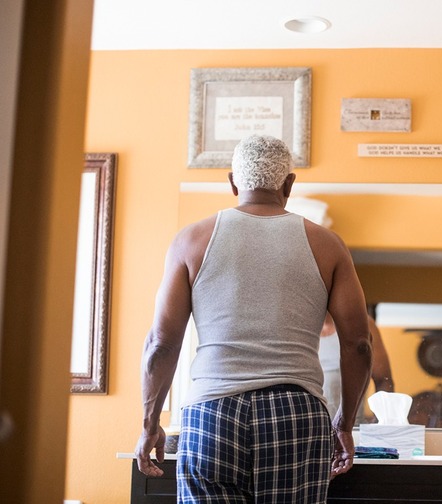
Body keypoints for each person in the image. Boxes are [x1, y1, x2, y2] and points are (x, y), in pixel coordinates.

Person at [134, 134, 373, 503]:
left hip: (211, 412)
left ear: (233, 182)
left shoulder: (190, 241)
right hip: (296, 414)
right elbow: (358, 344)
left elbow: (160, 344)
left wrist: (150, 425)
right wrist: (344, 423)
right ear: (288, 185)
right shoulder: (327, 245)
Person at [319, 313, 394, 422]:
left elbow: (384, 381)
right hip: (311, 428)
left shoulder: (362, 323)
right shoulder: (298, 327)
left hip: (353, 429)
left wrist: (380, 424)